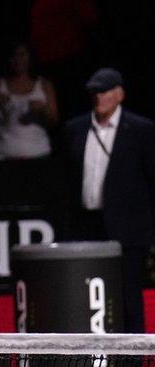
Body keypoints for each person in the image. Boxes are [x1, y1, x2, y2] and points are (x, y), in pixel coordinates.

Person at [62, 68, 155, 333]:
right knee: (86, 296)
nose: (98, 97)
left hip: (128, 230)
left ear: (119, 94)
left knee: (128, 297)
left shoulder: (141, 130)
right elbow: (68, 180)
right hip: (87, 227)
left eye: (103, 91)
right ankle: (93, 365)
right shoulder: (75, 129)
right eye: (94, 92)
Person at [0, 42, 58, 161]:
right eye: (14, 56)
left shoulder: (44, 85)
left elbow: (53, 121)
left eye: (22, 55)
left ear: (30, 57)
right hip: (2, 154)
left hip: (38, 153)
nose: (18, 60)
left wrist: (42, 110)